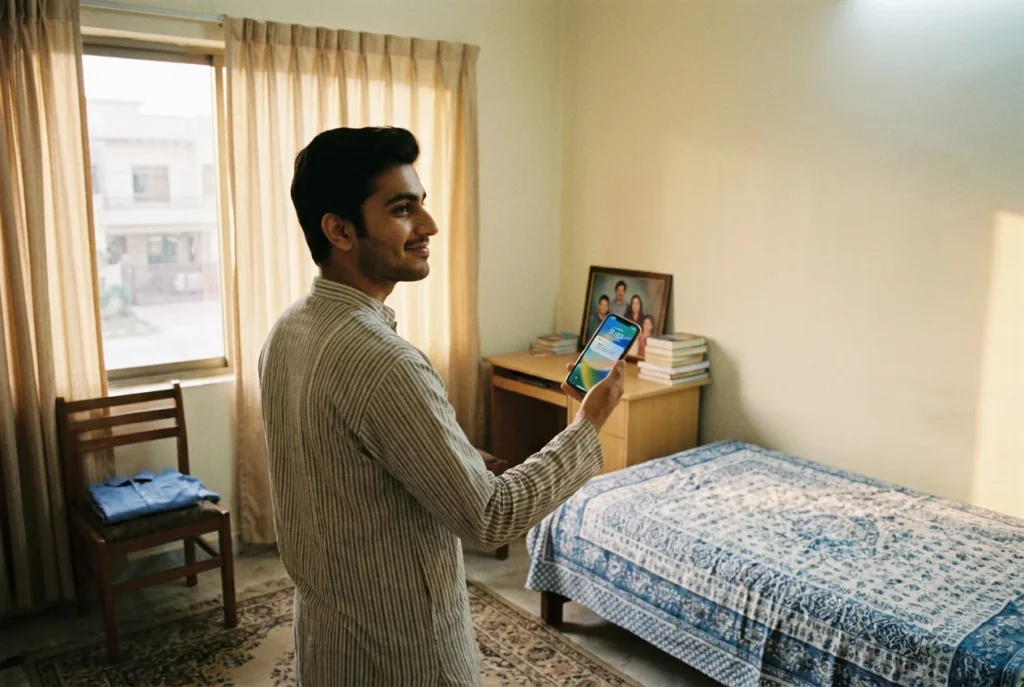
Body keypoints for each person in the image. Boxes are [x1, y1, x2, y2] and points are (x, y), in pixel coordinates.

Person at [258, 126, 626, 686]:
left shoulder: (289, 329)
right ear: (339, 230)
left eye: (423, 204)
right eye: (403, 209)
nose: (428, 225)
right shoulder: (384, 362)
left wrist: (451, 453)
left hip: (329, 642)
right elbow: (490, 518)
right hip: (404, 656)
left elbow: (332, 459)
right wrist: (589, 421)